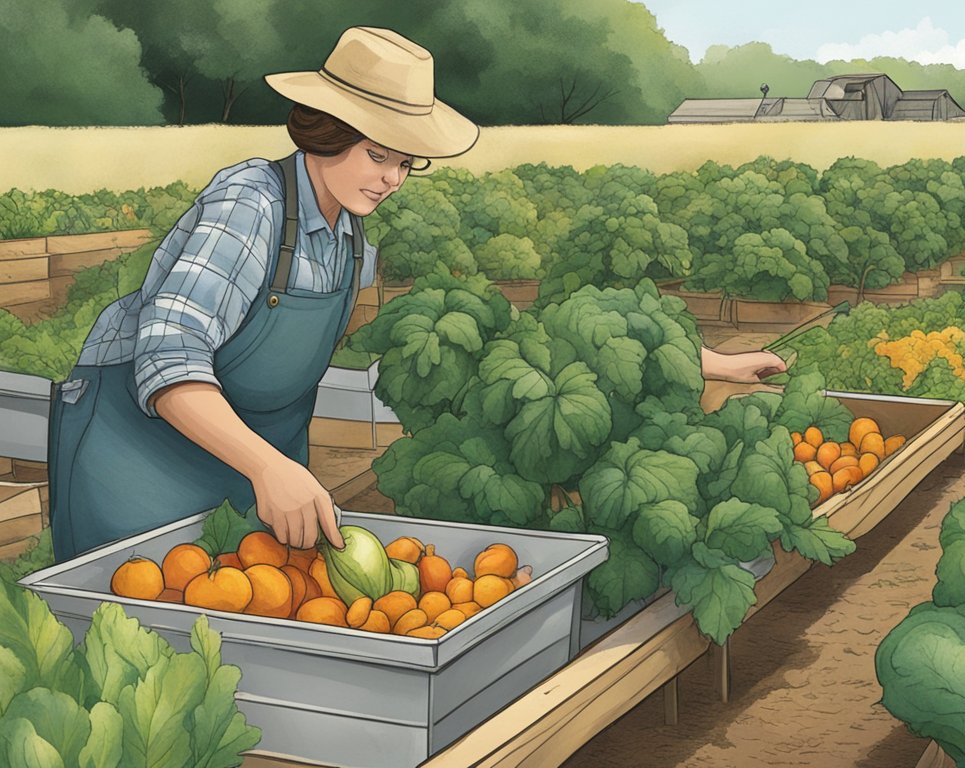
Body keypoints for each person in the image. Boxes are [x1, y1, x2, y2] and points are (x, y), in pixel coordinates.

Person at [48, 27, 786, 563]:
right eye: (378, 155)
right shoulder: (252, 204)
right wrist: (268, 466)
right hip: (139, 456)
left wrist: (703, 361)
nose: (392, 179)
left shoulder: (352, 240)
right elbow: (169, 356)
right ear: (324, 133)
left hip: (259, 467)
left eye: (406, 162)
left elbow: (493, 346)